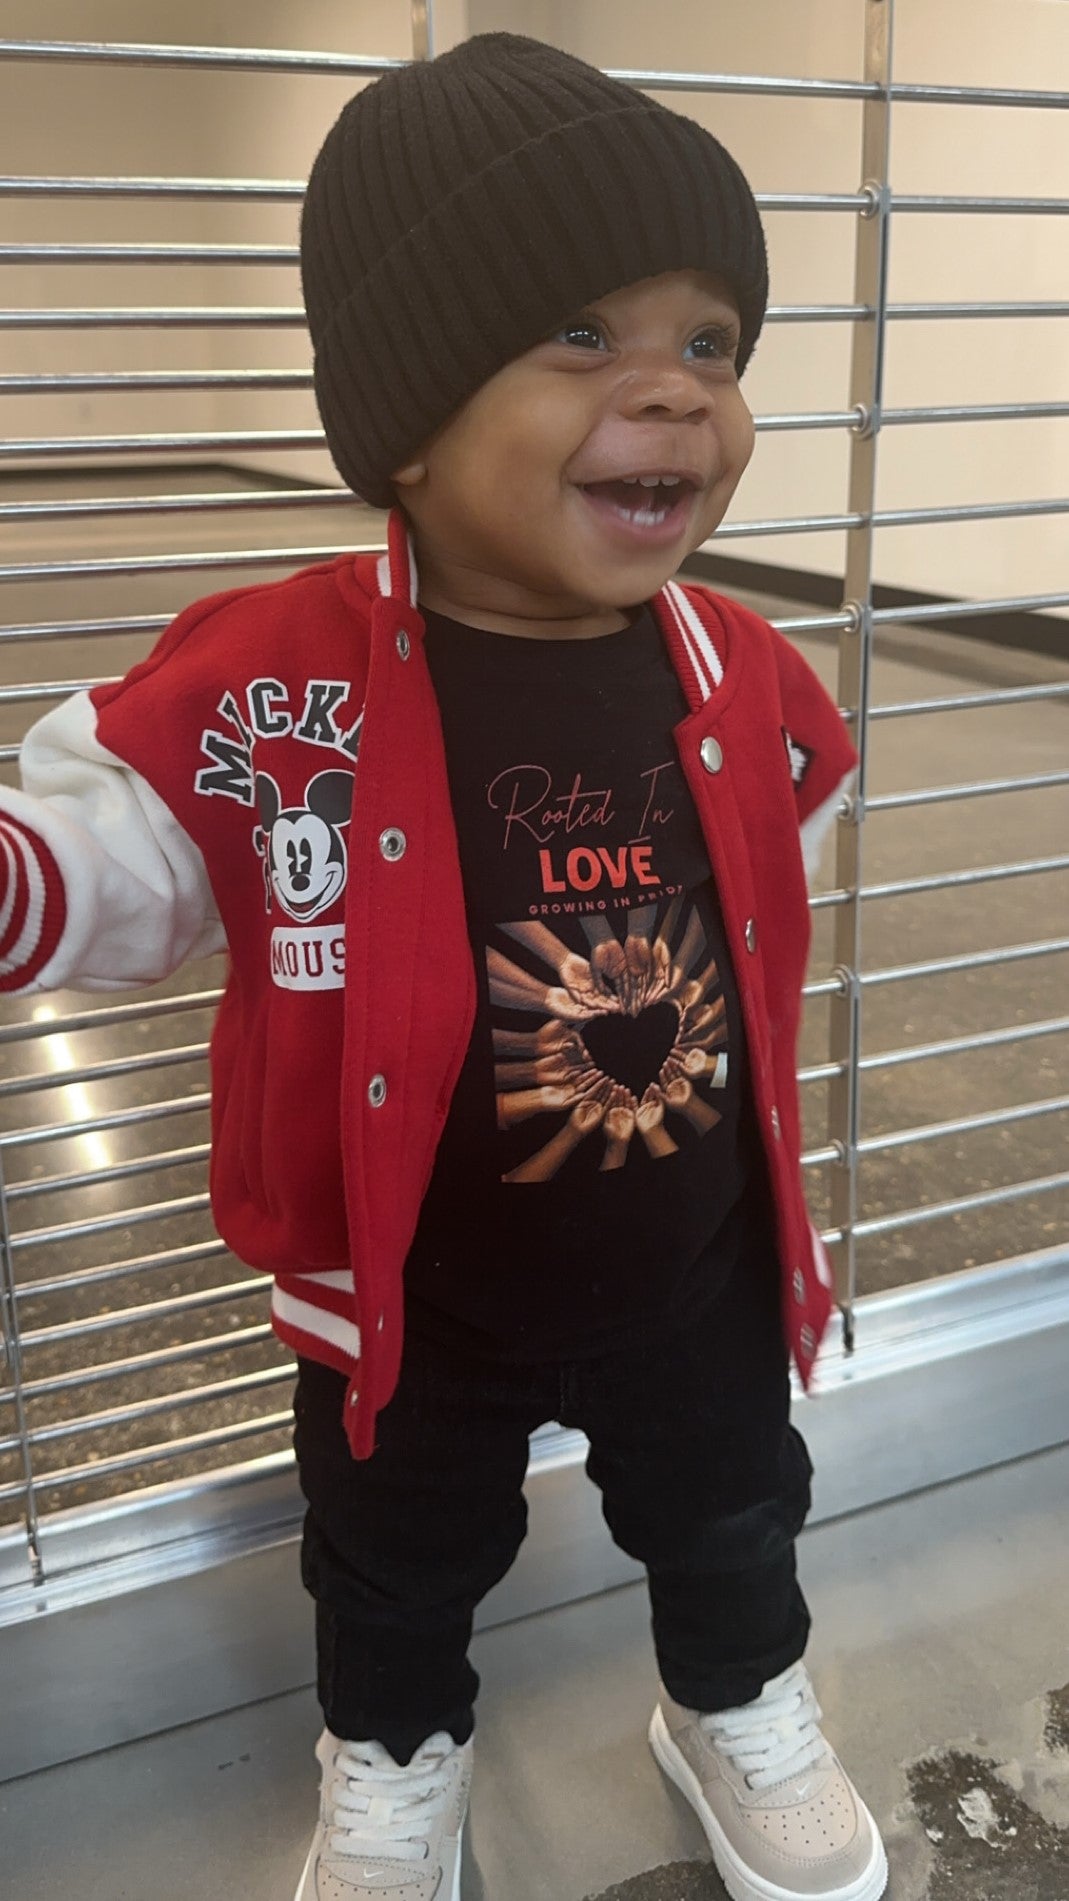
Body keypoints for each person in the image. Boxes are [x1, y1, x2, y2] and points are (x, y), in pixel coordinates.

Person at [0, 32, 888, 1901]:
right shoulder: (273, 676)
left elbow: (779, 870)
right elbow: (105, 858)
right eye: (582, 333)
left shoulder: (745, 676)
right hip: (409, 1289)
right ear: (406, 410)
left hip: (690, 1257)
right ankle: (396, 1759)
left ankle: (736, 1699)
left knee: (735, 1510)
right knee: (390, 1556)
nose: (673, 392)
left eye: (711, 342)